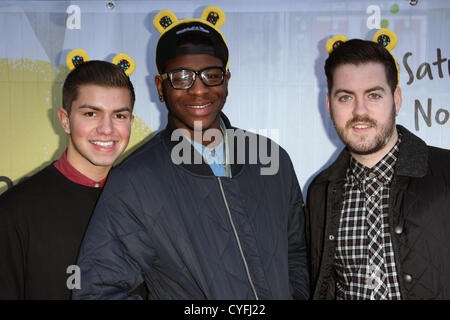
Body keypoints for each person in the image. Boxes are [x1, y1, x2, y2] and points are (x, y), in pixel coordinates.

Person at [72, 7, 309, 300]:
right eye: (181, 77)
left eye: (211, 75)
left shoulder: (271, 159)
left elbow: (298, 255)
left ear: (227, 81)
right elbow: (98, 291)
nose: (198, 90)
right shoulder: (135, 180)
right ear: (160, 87)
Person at [306, 34, 450, 300]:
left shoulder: (445, 174)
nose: (360, 111)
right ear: (329, 104)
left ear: (396, 99)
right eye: (346, 98)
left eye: (373, 95)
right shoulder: (320, 191)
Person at [0, 57, 136, 299]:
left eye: (119, 116)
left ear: (131, 122)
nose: (107, 129)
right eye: (91, 113)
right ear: (65, 120)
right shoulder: (15, 210)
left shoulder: (145, 204)